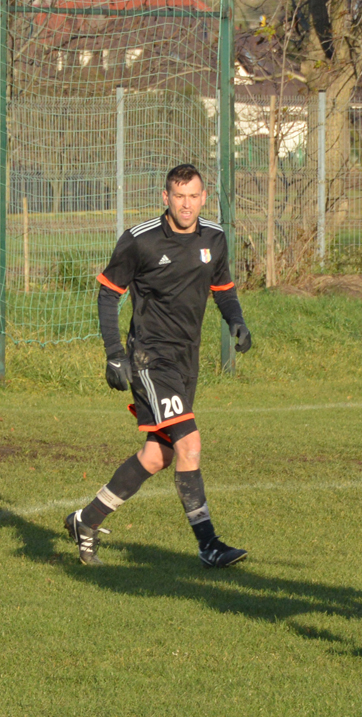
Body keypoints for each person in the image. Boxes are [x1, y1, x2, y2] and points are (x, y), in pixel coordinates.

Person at [65, 163, 253, 567]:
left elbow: (223, 289)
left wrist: (236, 321)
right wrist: (114, 352)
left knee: (157, 456)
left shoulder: (214, 238)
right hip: (150, 358)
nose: (186, 205)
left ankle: (86, 520)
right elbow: (108, 294)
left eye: (193, 196)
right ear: (165, 197)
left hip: (187, 359)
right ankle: (209, 545)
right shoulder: (141, 240)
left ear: (204, 198)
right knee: (189, 444)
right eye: (178, 196)